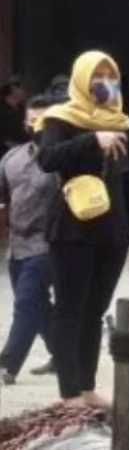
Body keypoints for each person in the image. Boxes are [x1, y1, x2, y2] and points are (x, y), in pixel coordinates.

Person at [35, 50, 129, 409]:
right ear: (82, 79)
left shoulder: (125, 125)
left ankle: (86, 387)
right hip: (71, 228)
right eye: (97, 76)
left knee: (95, 311)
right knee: (69, 309)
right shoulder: (60, 118)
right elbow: (47, 159)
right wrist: (92, 139)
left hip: (112, 231)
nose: (104, 82)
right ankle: (69, 392)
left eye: (109, 75)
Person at [0, 95, 58, 385]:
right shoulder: (11, 158)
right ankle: (62, 354)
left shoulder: (62, 158)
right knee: (38, 304)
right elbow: (3, 199)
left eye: (43, 120)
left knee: (25, 302)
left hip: (48, 245)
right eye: (32, 119)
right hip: (17, 246)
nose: (37, 125)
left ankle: (7, 364)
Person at [0, 78, 28, 160]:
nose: (23, 92)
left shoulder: (21, 108)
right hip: (6, 152)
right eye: (21, 89)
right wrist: (7, 143)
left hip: (23, 149)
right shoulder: (2, 110)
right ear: (13, 90)